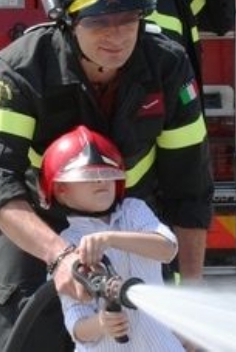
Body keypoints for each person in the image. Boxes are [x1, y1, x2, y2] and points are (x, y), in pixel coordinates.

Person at [0, 0, 213, 352]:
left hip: (127, 225)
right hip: (38, 228)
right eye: (99, 21)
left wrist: (188, 305)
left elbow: (189, 191)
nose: (117, 36)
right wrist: (59, 255)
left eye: (129, 19)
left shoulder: (167, 67)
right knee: (19, 330)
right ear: (67, 19)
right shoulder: (21, 70)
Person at [42, 125, 186, 351]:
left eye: (107, 173)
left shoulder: (134, 211)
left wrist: (110, 239)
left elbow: (167, 249)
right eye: (89, 175)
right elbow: (76, 326)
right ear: (61, 190)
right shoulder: (66, 247)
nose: (101, 181)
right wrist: (101, 324)